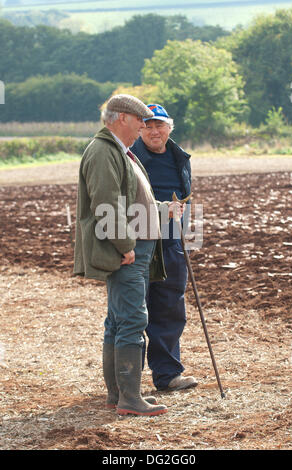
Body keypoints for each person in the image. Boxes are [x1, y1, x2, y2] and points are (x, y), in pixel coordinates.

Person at [73, 94, 183, 416]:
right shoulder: (105, 151)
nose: (142, 128)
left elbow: (133, 204)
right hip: (128, 254)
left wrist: (163, 210)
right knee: (132, 320)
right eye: (139, 121)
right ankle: (130, 399)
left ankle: (118, 395)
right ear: (122, 118)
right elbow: (107, 206)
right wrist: (127, 246)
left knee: (119, 321)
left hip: (133, 249)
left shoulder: (120, 152)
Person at [131, 103, 198, 392]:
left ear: (169, 127)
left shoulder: (179, 156)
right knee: (133, 312)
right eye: (147, 125)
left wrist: (186, 236)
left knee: (170, 308)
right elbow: (122, 206)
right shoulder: (128, 157)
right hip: (139, 242)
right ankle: (127, 383)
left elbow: (185, 201)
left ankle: (168, 375)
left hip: (172, 243)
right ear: (139, 128)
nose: (154, 130)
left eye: (159, 125)